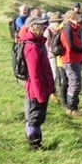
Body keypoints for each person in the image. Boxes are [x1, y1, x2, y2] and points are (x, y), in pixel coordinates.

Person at [21, 17, 55, 149]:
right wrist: (40, 94)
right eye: (41, 26)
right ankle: (34, 145)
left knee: (38, 117)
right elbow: (34, 73)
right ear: (33, 27)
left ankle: (37, 143)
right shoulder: (32, 47)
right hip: (36, 90)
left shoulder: (38, 43)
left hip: (41, 87)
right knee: (34, 118)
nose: (44, 28)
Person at [60, 10, 82, 116]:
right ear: (70, 18)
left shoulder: (73, 29)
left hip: (75, 59)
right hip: (70, 59)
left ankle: (74, 106)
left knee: (76, 83)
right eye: (75, 16)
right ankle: (71, 108)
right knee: (74, 83)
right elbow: (70, 46)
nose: (77, 18)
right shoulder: (67, 28)